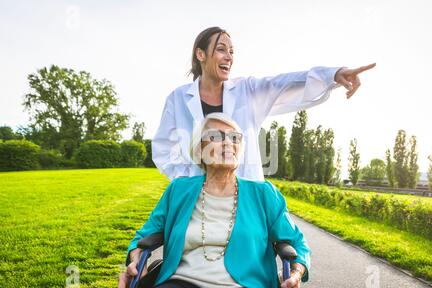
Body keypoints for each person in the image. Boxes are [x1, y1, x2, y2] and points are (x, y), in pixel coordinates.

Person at [118, 113, 311, 288]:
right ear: (199, 149)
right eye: (216, 136)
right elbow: (142, 237)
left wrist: (295, 273)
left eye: (235, 137)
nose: (228, 142)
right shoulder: (178, 190)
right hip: (180, 284)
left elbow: (297, 243)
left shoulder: (264, 194)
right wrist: (136, 260)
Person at [152, 26, 376, 181]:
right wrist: (189, 179)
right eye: (221, 49)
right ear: (200, 54)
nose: (229, 57)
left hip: (245, 195)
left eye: (231, 51)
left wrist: (333, 74)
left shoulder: (246, 91)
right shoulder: (178, 98)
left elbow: (282, 83)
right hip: (199, 200)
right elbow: (163, 149)